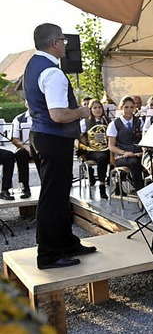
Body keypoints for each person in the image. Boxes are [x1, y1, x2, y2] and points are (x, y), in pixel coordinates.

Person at [24, 23, 93, 269]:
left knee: (59, 194)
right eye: (63, 40)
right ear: (55, 43)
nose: (65, 44)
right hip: (53, 138)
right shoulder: (53, 72)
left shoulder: (33, 65)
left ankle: (66, 242)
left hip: (42, 136)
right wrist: (81, 111)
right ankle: (49, 254)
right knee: (53, 197)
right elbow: (58, 114)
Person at [107, 96, 145, 192]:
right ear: (121, 107)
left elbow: (144, 140)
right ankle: (140, 192)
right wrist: (124, 152)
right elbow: (111, 146)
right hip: (121, 157)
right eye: (126, 107)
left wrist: (143, 152)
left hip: (138, 154)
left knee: (151, 163)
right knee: (135, 163)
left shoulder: (140, 122)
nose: (129, 110)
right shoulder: (114, 124)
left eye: (132, 107)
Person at [79, 99, 111, 199]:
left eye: (99, 107)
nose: (98, 110)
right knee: (103, 158)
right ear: (91, 110)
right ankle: (102, 186)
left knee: (116, 156)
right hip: (91, 150)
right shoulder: (85, 122)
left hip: (106, 148)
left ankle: (118, 183)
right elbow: (79, 138)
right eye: (95, 108)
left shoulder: (108, 121)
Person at [11, 101, 33, 199]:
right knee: (20, 154)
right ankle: (25, 187)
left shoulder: (44, 117)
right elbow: (14, 139)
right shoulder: (18, 119)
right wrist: (25, 146)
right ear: (26, 104)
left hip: (42, 147)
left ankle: (49, 187)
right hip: (26, 148)